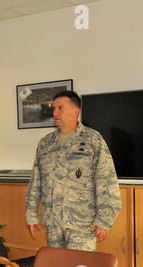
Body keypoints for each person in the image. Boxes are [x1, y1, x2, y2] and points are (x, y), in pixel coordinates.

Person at [25, 90, 122, 251]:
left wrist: (104, 219)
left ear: (75, 110)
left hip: (82, 224)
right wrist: (31, 214)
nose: (54, 112)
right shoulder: (45, 143)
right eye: (53, 108)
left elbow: (106, 181)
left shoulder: (93, 140)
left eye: (60, 108)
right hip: (53, 223)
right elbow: (36, 182)